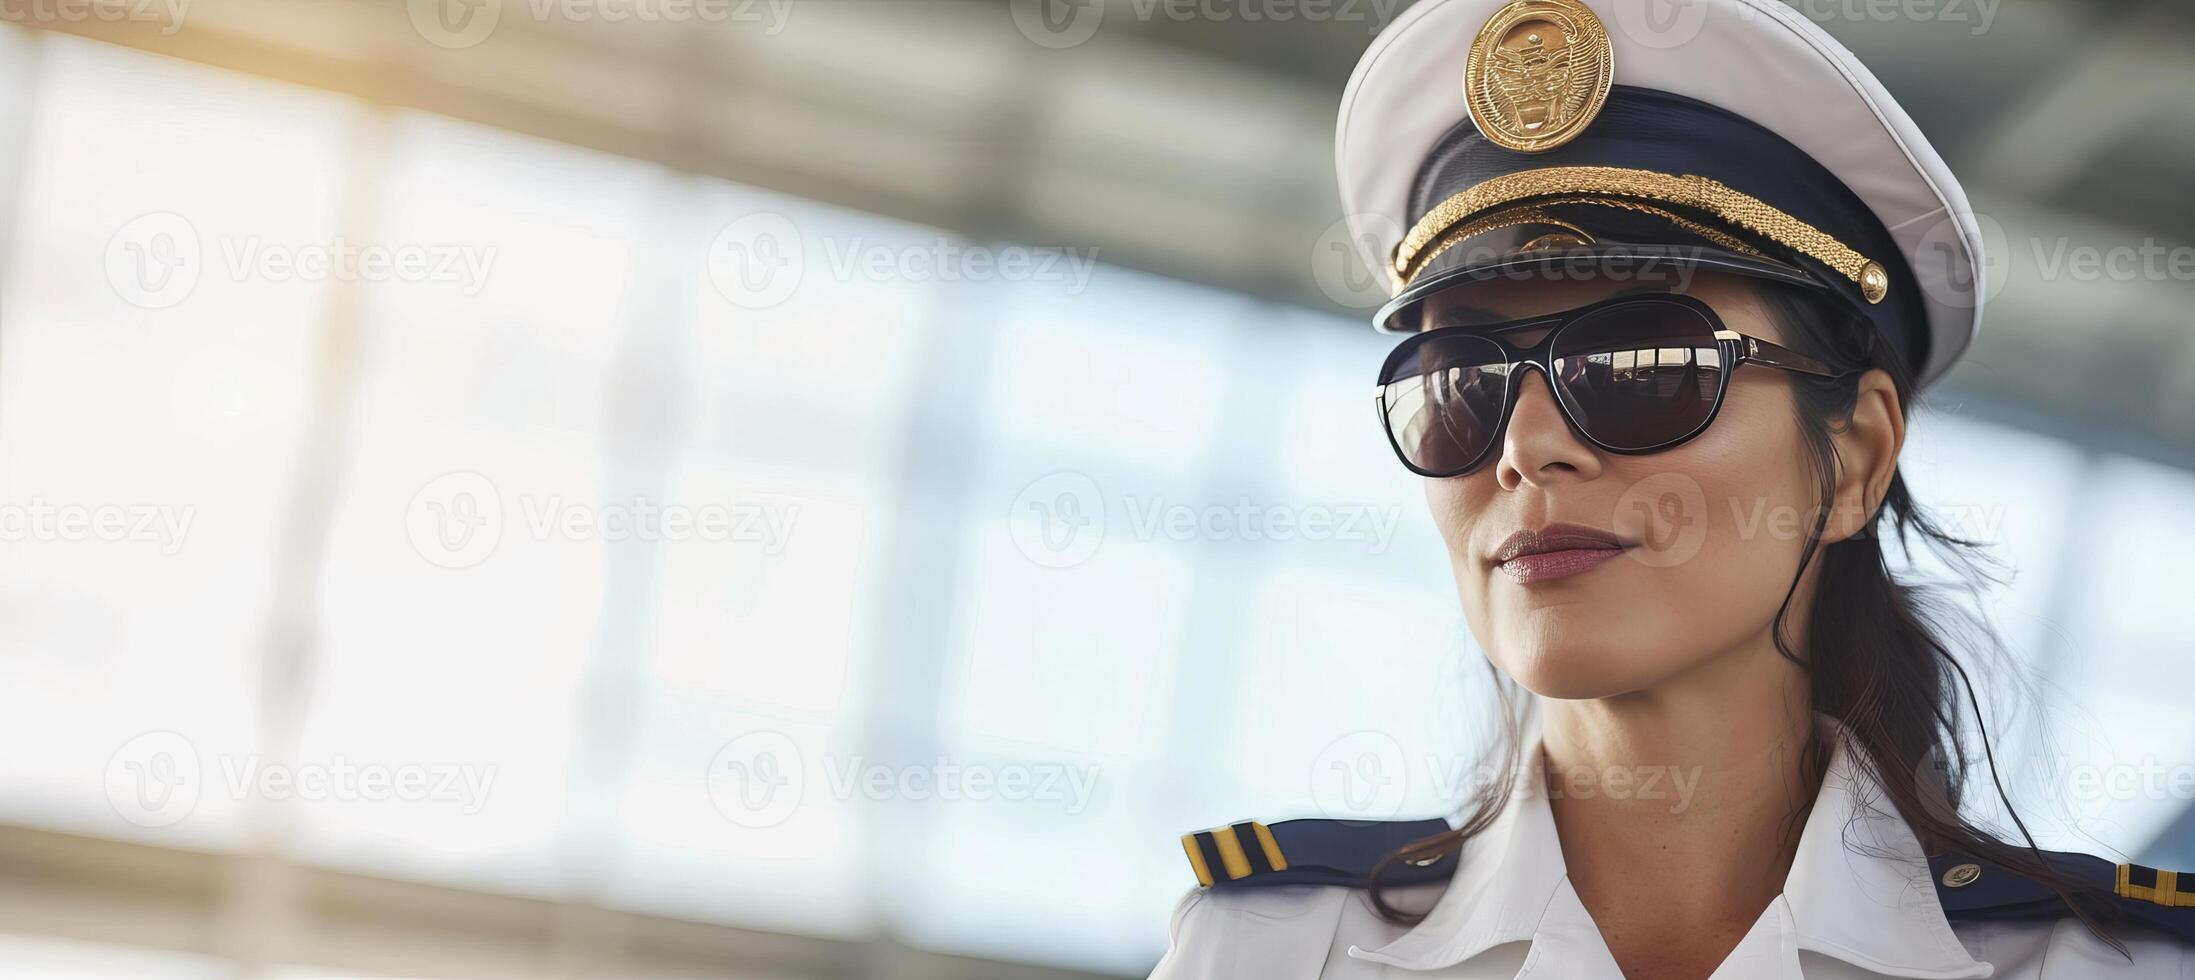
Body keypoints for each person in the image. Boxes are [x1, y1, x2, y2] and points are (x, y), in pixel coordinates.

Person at [1148, 0, 2195, 976]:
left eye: (1639, 365)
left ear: (1858, 457)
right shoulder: (1271, 950)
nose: (1523, 448)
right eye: (1459, 383)